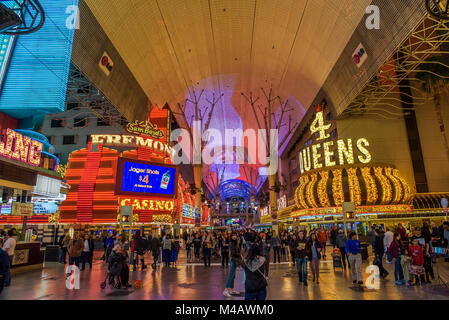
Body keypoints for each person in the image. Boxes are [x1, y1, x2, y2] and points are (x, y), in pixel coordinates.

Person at [223, 233, 241, 297]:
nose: (234, 236)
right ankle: (225, 290)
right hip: (233, 260)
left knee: (233, 276)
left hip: (235, 260)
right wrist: (240, 255)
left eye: (235, 235)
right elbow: (233, 252)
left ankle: (232, 289)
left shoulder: (236, 243)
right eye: (233, 235)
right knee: (231, 275)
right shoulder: (232, 243)